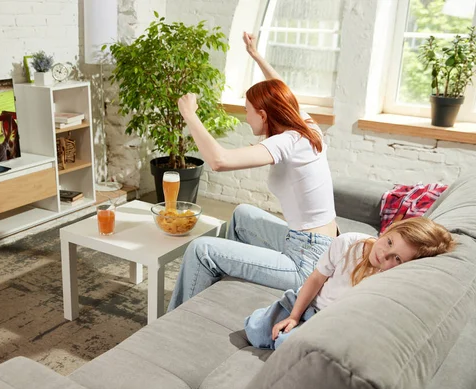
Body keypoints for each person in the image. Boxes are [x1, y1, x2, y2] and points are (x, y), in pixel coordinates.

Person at [167, 32, 337, 311]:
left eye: (247, 111)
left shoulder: (287, 142)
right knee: (243, 215)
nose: (245, 117)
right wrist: (256, 55)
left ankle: (174, 324)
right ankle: (220, 293)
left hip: (306, 262)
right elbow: (284, 91)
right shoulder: (306, 127)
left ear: (264, 114)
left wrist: (189, 114)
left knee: (201, 249)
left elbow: (219, 161)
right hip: (313, 242)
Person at [244, 217, 455, 350]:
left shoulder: (390, 280)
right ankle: (281, 320)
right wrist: (294, 316)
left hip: (329, 323)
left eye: (397, 259)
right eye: (389, 242)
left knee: (284, 345)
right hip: (308, 302)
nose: (384, 255)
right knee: (257, 331)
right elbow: (317, 278)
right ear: (388, 230)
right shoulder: (348, 242)